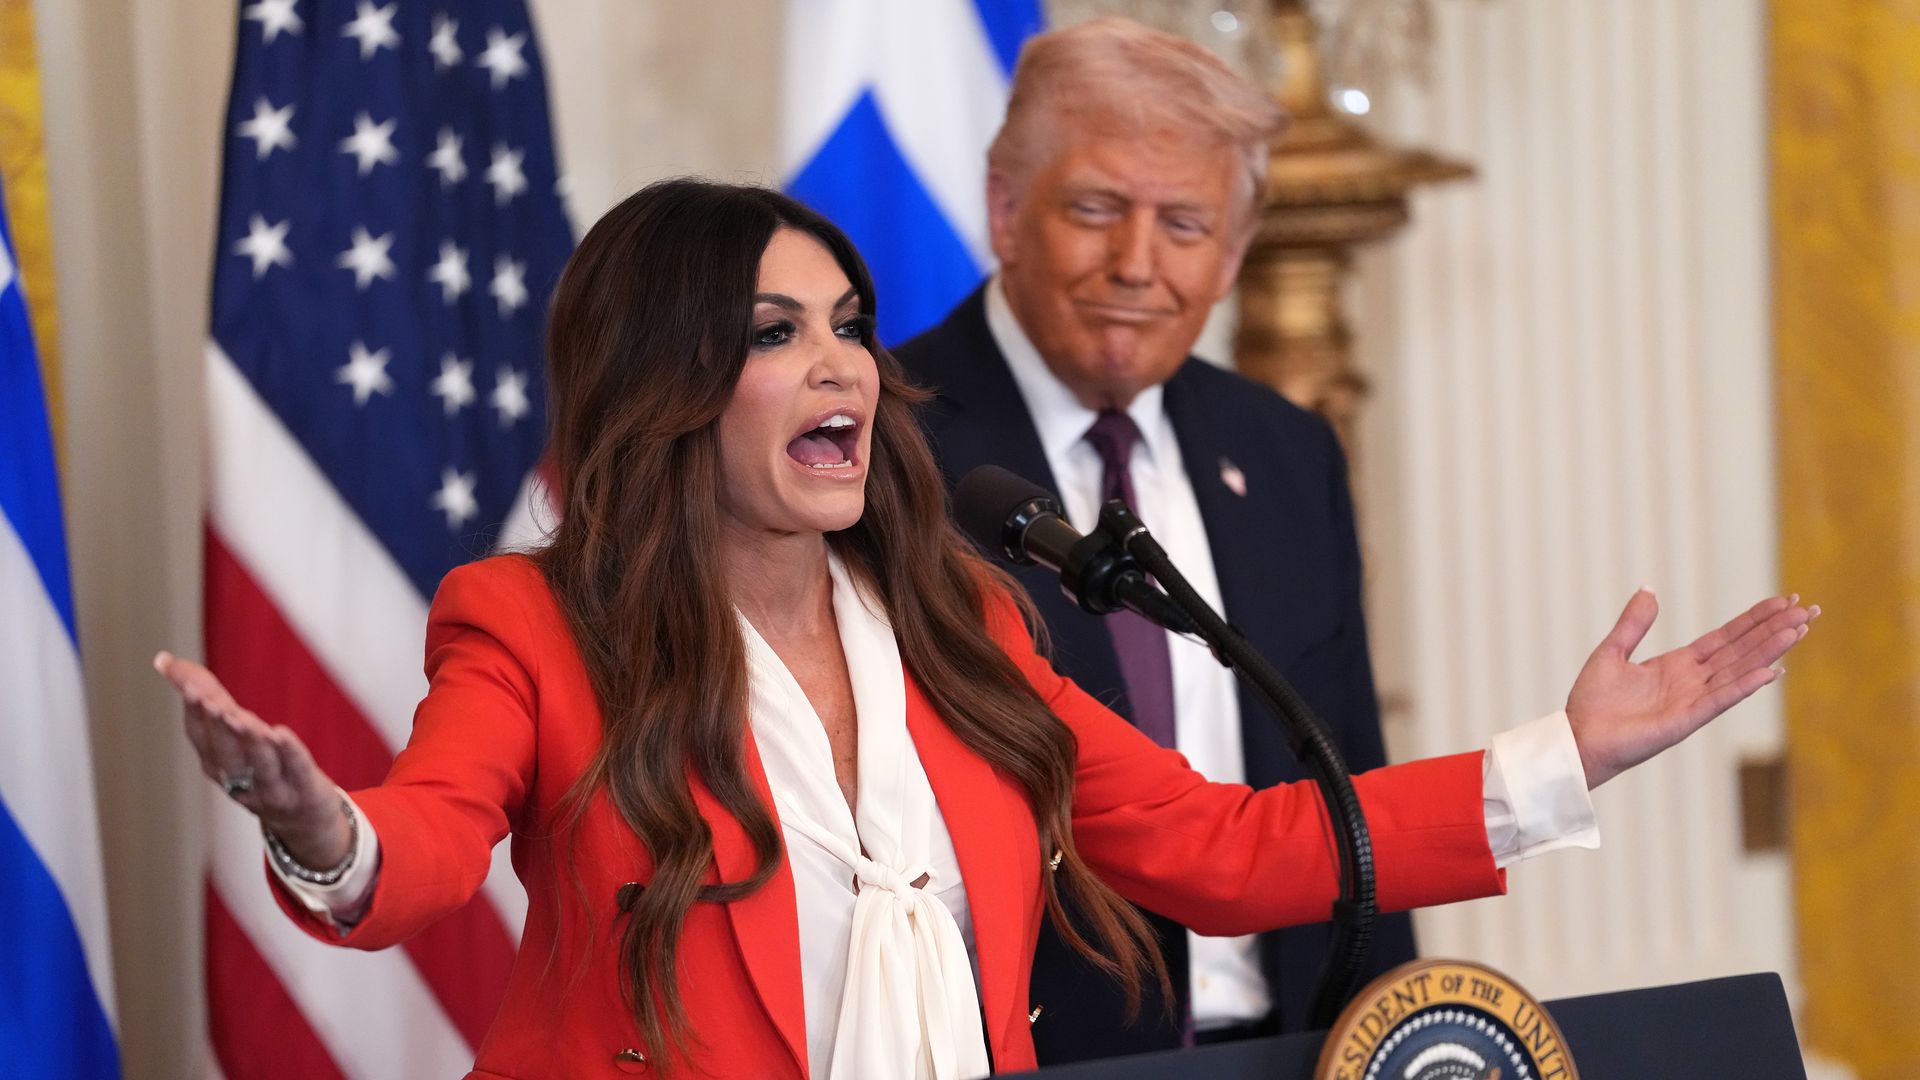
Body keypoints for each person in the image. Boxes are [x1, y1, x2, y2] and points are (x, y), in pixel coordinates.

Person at [157, 178, 1812, 1080]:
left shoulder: (954, 618)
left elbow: (1227, 850)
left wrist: (1564, 758)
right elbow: (425, 846)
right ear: (664, 385)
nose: (846, 367)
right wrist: (324, 827)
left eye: (854, 329)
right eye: (777, 333)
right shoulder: (531, 625)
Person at [891, 16, 1410, 1058]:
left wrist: (1384, 1039)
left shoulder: (1288, 451)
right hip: (1026, 1051)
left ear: (1233, 254)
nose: (1137, 264)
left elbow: (1347, 771)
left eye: (1184, 224)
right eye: (1095, 210)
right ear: (1005, 211)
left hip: (1292, 1040)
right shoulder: (884, 448)